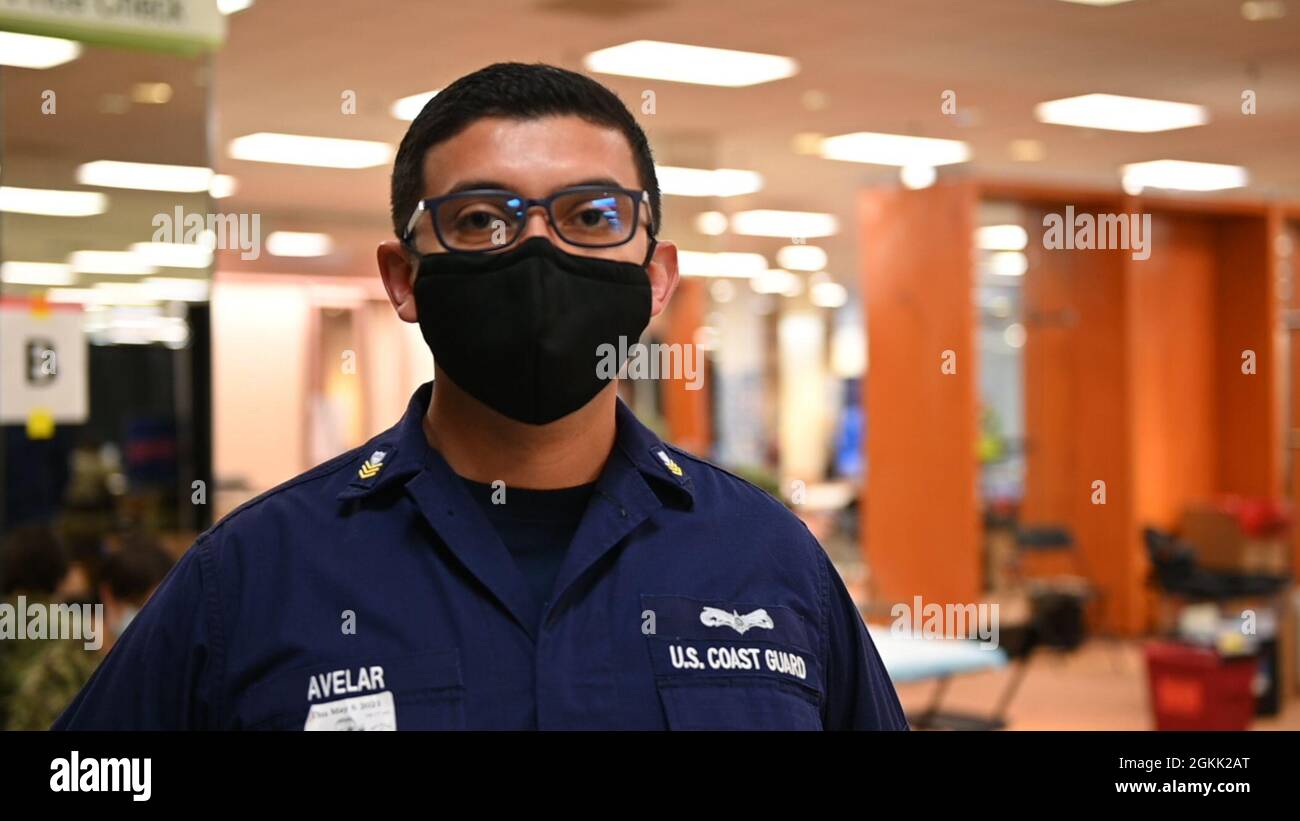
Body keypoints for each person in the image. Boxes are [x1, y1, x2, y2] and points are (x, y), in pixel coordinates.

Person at [54, 62, 907, 730]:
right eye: (481, 220)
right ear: (405, 278)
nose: (536, 250)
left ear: (656, 278)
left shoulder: (767, 559)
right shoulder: (253, 574)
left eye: (592, 215)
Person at [6, 535, 173, 730]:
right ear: (108, 595)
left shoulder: (158, 659)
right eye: (139, 606)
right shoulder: (65, 666)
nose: (149, 623)